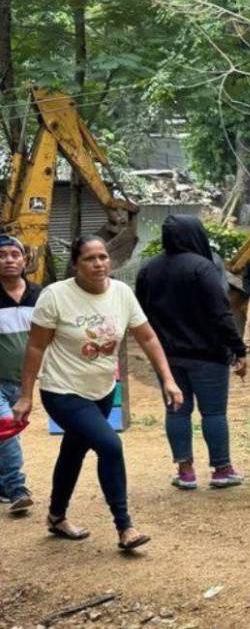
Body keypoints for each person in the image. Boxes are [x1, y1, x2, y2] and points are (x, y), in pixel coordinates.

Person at [13, 235, 184, 551]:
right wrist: (26, 396)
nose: (99, 264)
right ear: (76, 264)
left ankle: (56, 516)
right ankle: (125, 527)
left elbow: (147, 338)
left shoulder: (121, 293)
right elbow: (36, 347)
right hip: (62, 391)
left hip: (103, 389)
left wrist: (168, 379)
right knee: (109, 445)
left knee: (73, 451)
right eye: (90, 258)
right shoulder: (55, 296)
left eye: (103, 257)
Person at [135, 215, 248, 490]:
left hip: (167, 357)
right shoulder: (203, 268)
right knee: (213, 414)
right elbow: (221, 314)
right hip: (208, 355)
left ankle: (185, 472)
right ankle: (222, 469)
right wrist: (238, 349)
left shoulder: (148, 270)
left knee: (177, 412)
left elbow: (140, 314)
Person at [0, 235, 39, 514]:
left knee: (9, 433)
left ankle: (3, 484)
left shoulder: (40, 295)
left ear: (25, 260)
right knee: (5, 428)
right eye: (2, 255)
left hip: (23, 381)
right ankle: (17, 489)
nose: (9, 259)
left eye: (15, 254)